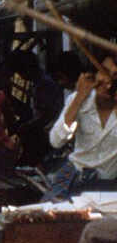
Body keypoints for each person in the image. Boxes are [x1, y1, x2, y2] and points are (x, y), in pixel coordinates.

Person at [45, 59, 117, 200]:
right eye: (105, 73)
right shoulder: (78, 99)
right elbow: (57, 141)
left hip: (110, 184)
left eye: (115, 76)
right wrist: (79, 97)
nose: (109, 82)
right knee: (47, 218)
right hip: (74, 176)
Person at [5, 49, 64, 167]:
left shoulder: (44, 83)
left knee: (26, 130)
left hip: (49, 126)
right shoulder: (37, 82)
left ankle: (32, 162)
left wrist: (27, 125)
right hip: (41, 121)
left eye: (21, 72)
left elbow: (48, 114)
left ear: (27, 69)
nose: (21, 76)